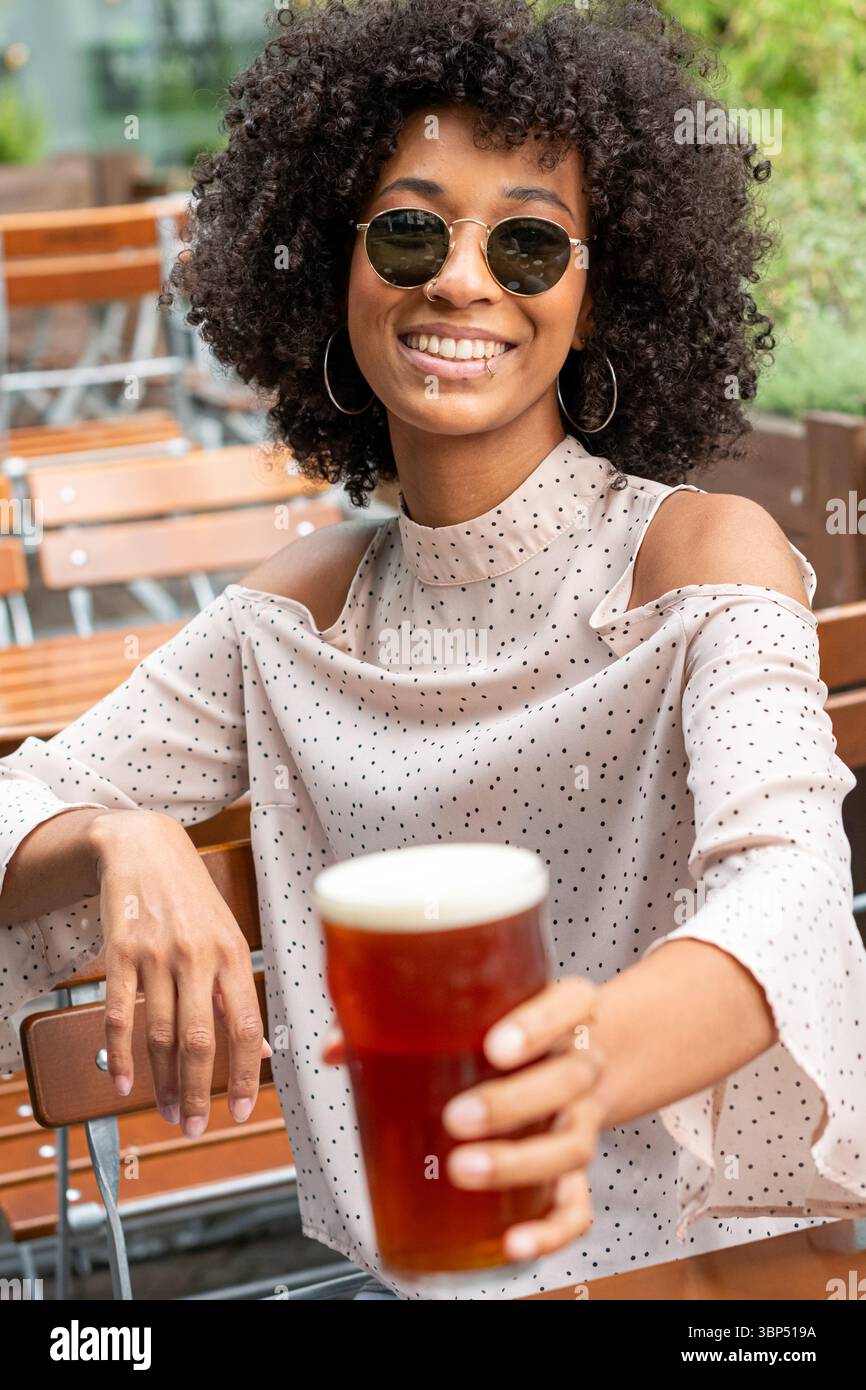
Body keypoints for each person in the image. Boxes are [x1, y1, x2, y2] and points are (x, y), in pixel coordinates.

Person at [1, 0, 864, 1301]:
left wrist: (586, 1058)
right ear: (331, 269)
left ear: (600, 290)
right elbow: (24, 796)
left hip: (735, 1291)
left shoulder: (697, 557)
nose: (459, 278)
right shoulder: (296, 616)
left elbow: (788, 883)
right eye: (410, 228)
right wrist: (116, 836)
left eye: (526, 244)